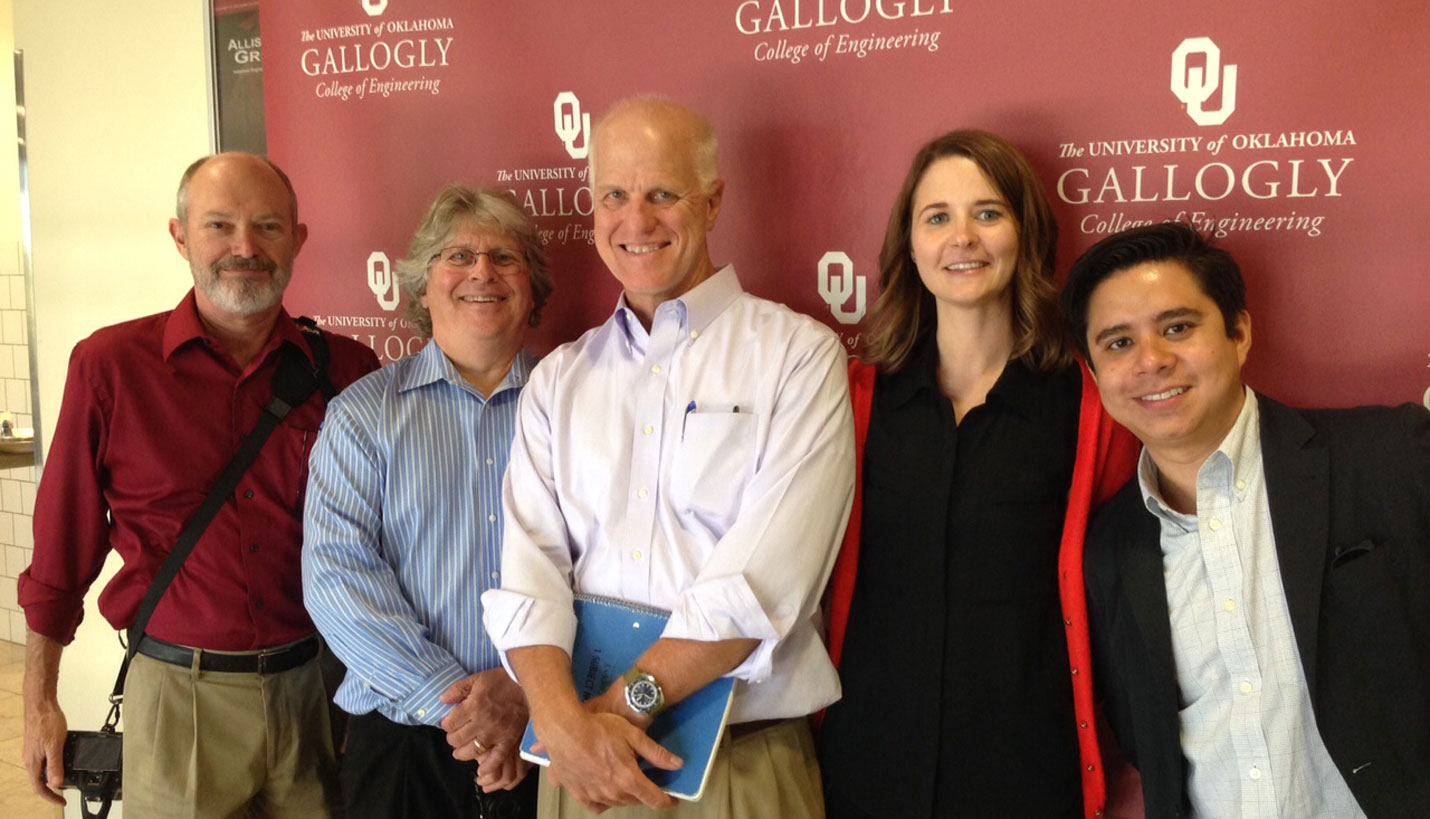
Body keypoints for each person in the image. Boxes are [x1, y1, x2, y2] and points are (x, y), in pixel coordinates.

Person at [481, 96, 855, 818]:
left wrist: (623, 707)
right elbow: (529, 573)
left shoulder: (797, 357)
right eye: (614, 195)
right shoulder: (557, 378)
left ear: (713, 202)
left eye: (662, 194)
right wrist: (562, 723)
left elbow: (762, 583)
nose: (636, 220)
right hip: (579, 768)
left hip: (736, 770)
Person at [18, 152, 379, 815]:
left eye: (268, 227)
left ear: (297, 240)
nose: (246, 248)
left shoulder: (349, 371)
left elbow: (384, 541)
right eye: (220, 226)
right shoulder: (110, 366)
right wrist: (39, 698)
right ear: (180, 236)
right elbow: (62, 546)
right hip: (178, 697)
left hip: (315, 690)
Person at [819, 129, 1139, 819]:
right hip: (865, 771)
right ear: (910, 243)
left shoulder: (1089, 406)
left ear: (1026, 232)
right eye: (938, 217)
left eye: (988, 213)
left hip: (1026, 774)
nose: (962, 237)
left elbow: (1130, 593)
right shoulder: (853, 399)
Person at [1061, 221, 1430, 818]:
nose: (1152, 360)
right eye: (1118, 343)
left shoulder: (1391, 457)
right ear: (1095, 371)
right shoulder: (1108, 548)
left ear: (1238, 333)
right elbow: (1144, 738)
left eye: (1177, 327)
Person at [303, 185, 552, 818]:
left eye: (505, 257)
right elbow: (337, 580)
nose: (481, 272)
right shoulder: (362, 417)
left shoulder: (579, 407)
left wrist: (527, 694)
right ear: (420, 286)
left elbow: (617, 567)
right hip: (407, 751)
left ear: (533, 288)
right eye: (458, 256)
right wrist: (465, 710)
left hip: (553, 737)